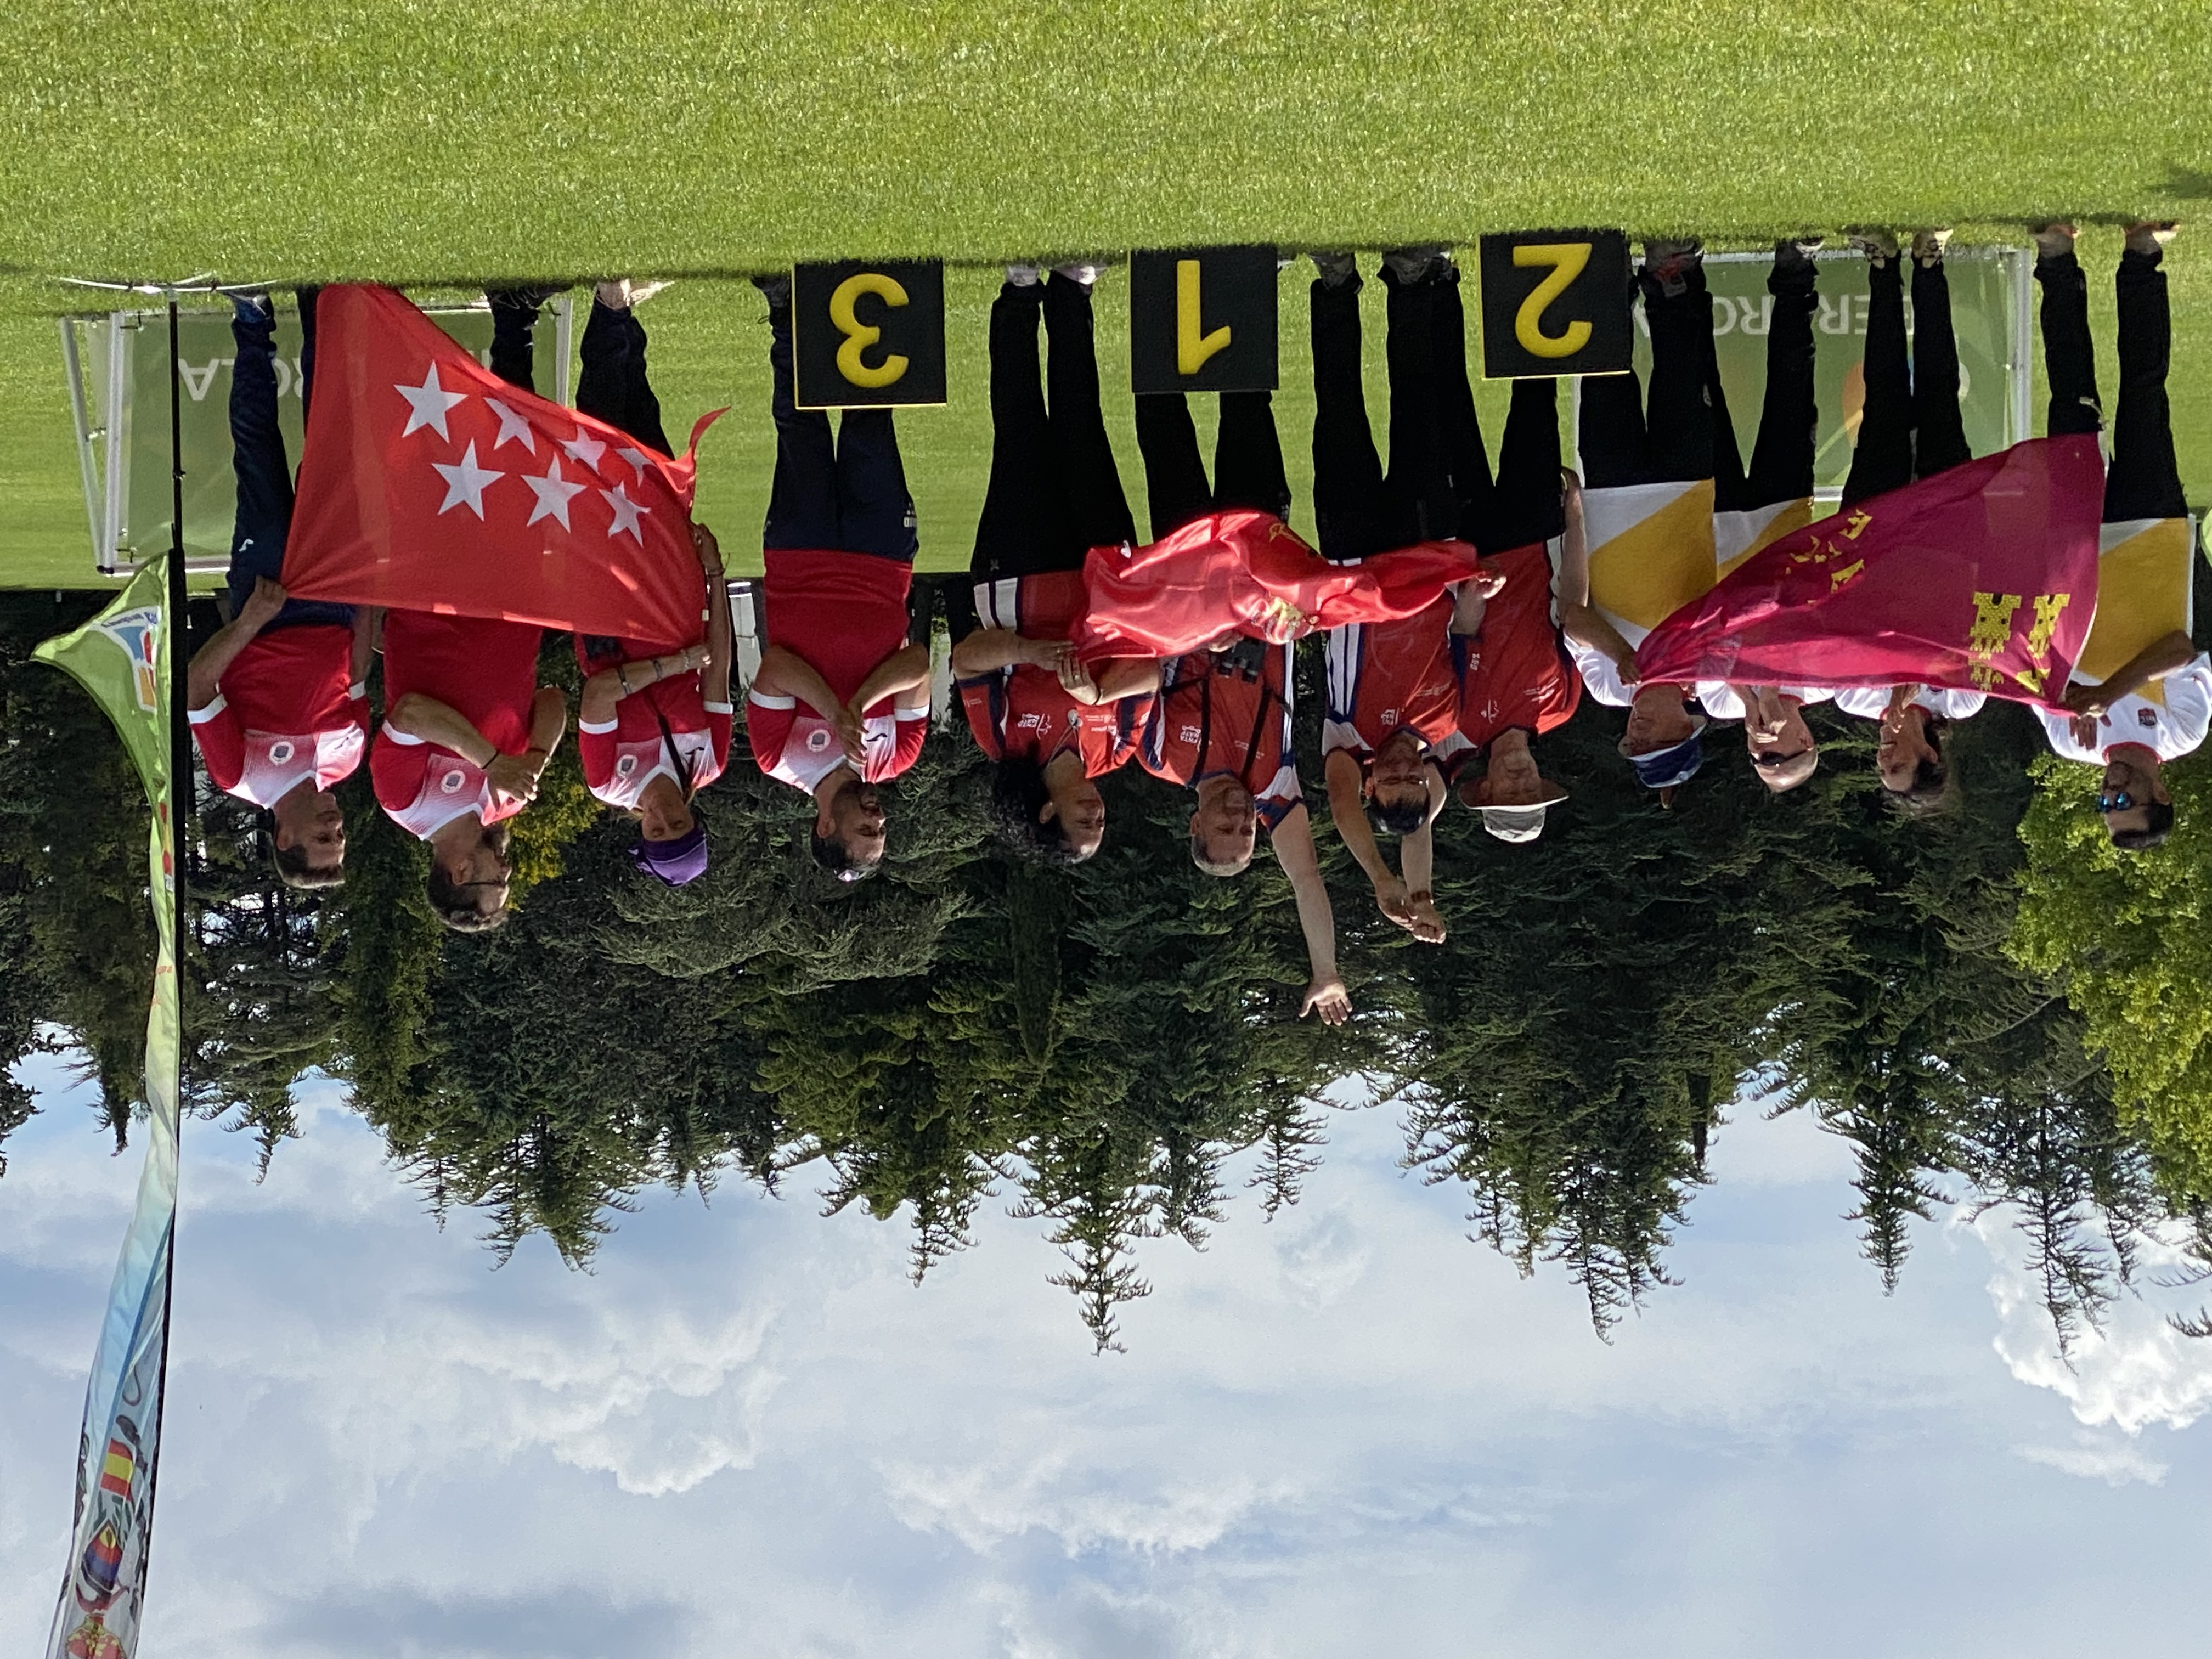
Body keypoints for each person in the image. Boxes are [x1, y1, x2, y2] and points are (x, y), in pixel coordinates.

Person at [1124, 348, 1348, 1024]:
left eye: (1225, 830)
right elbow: (1306, 878)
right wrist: (1326, 971)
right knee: (1249, 406)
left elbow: (1142, 657)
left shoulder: (1160, 755)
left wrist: (1197, 638)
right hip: (1260, 562)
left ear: (1195, 825)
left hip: (1187, 563)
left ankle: (1151, 296)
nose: (1241, 822)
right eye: (1248, 836)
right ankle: (1237, 284)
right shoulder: (1275, 785)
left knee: (1163, 423)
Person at [1564, 236, 1830, 797]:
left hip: (1611, 496)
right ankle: (1671, 266)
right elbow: (1746, 655)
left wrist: (1623, 656)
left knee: (1604, 369)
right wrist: (1759, 706)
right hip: (1689, 494)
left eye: (1635, 744)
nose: (1639, 734)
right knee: (1682, 365)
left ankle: (1599, 263)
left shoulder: (1607, 689)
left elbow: (1573, 619)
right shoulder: (1712, 679)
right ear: (1688, 727)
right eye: (1656, 739)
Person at [371, 283, 574, 931]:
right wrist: (535, 758)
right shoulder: (504, 803)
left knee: (436, 447)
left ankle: (399, 328)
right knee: (519, 452)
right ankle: (515, 315)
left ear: (459, 873)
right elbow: (553, 700)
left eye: (494, 882)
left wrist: (493, 762)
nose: (506, 871)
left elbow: (410, 713)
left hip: (437, 587)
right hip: (515, 599)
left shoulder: (405, 801)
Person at [951, 263, 1158, 863]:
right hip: (1105, 578)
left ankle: (1018, 297)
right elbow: (1149, 673)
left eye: (1082, 823)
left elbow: (966, 660)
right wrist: (1096, 697)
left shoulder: (1004, 744)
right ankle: (1072, 293)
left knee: (1019, 429)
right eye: (1101, 824)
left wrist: (1032, 653)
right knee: (1083, 426)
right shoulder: (1116, 751)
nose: (1098, 814)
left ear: (1047, 812)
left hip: (1019, 574)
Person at [1309, 247, 1483, 935]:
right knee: (1418, 406)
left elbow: (1354, 813)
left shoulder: (1347, 740)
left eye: (1394, 784)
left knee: (1341, 403)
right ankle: (1408, 283)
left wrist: (1388, 883)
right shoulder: (1446, 725)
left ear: (1373, 784)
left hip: (1353, 558)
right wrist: (1476, 591)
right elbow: (1466, 628)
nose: (1407, 772)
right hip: (1423, 551)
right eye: (1419, 781)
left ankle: (1336, 285)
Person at [186, 287, 377, 888]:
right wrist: (367, 591)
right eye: (340, 838)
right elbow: (358, 669)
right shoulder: (347, 762)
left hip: (266, 599)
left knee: (257, 448)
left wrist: (249, 623)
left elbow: (197, 688)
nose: (336, 826)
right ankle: (322, 309)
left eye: (323, 839)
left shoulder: (238, 775)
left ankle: (252, 319)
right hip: (336, 595)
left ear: (285, 838)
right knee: (331, 449)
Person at [745, 274, 930, 883]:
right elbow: (919, 666)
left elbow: (776, 667)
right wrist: (861, 705)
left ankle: (784, 312)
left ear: (825, 827)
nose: (879, 820)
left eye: (866, 831)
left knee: (799, 428)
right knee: (870, 426)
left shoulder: (779, 759)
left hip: (800, 561)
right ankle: (866, 288)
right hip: (881, 565)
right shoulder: (898, 755)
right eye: (883, 831)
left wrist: (835, 711)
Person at [2028, 222, 2204, 851]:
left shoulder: (2066, 740)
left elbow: (2033, 659)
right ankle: (2142, 255)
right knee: (2143, 392)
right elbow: (2179, 650)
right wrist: (2103, 694)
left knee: (2069, 403)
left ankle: (2055, 258)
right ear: (2162, 795)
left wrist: (2063, 692)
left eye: (2105, 803)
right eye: (2124, 801)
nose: (2111, 790)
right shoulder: (2184, 732)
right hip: (2152, 534)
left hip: (2073, 547)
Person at [560, 280, 733, 887]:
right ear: (694, 821)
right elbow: (719, 667)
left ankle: (611, 306)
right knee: (647, 439)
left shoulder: (609, 781)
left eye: (657, 832)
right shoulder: (709, 760)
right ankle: (622, 314)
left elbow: (599, 698)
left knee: (599, 447)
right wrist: (714, 574)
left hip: (606, 603)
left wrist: (671, 666)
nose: (664, 820)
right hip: (673, 591)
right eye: (679, 827)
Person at [1830, 684, 1983, 811]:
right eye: (1897, 767)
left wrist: (1898, 683)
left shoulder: (1854, 699)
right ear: (1929, 754)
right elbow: (1980, 651)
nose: (1883, 761)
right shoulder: (1962, 702)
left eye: (1882, 770)